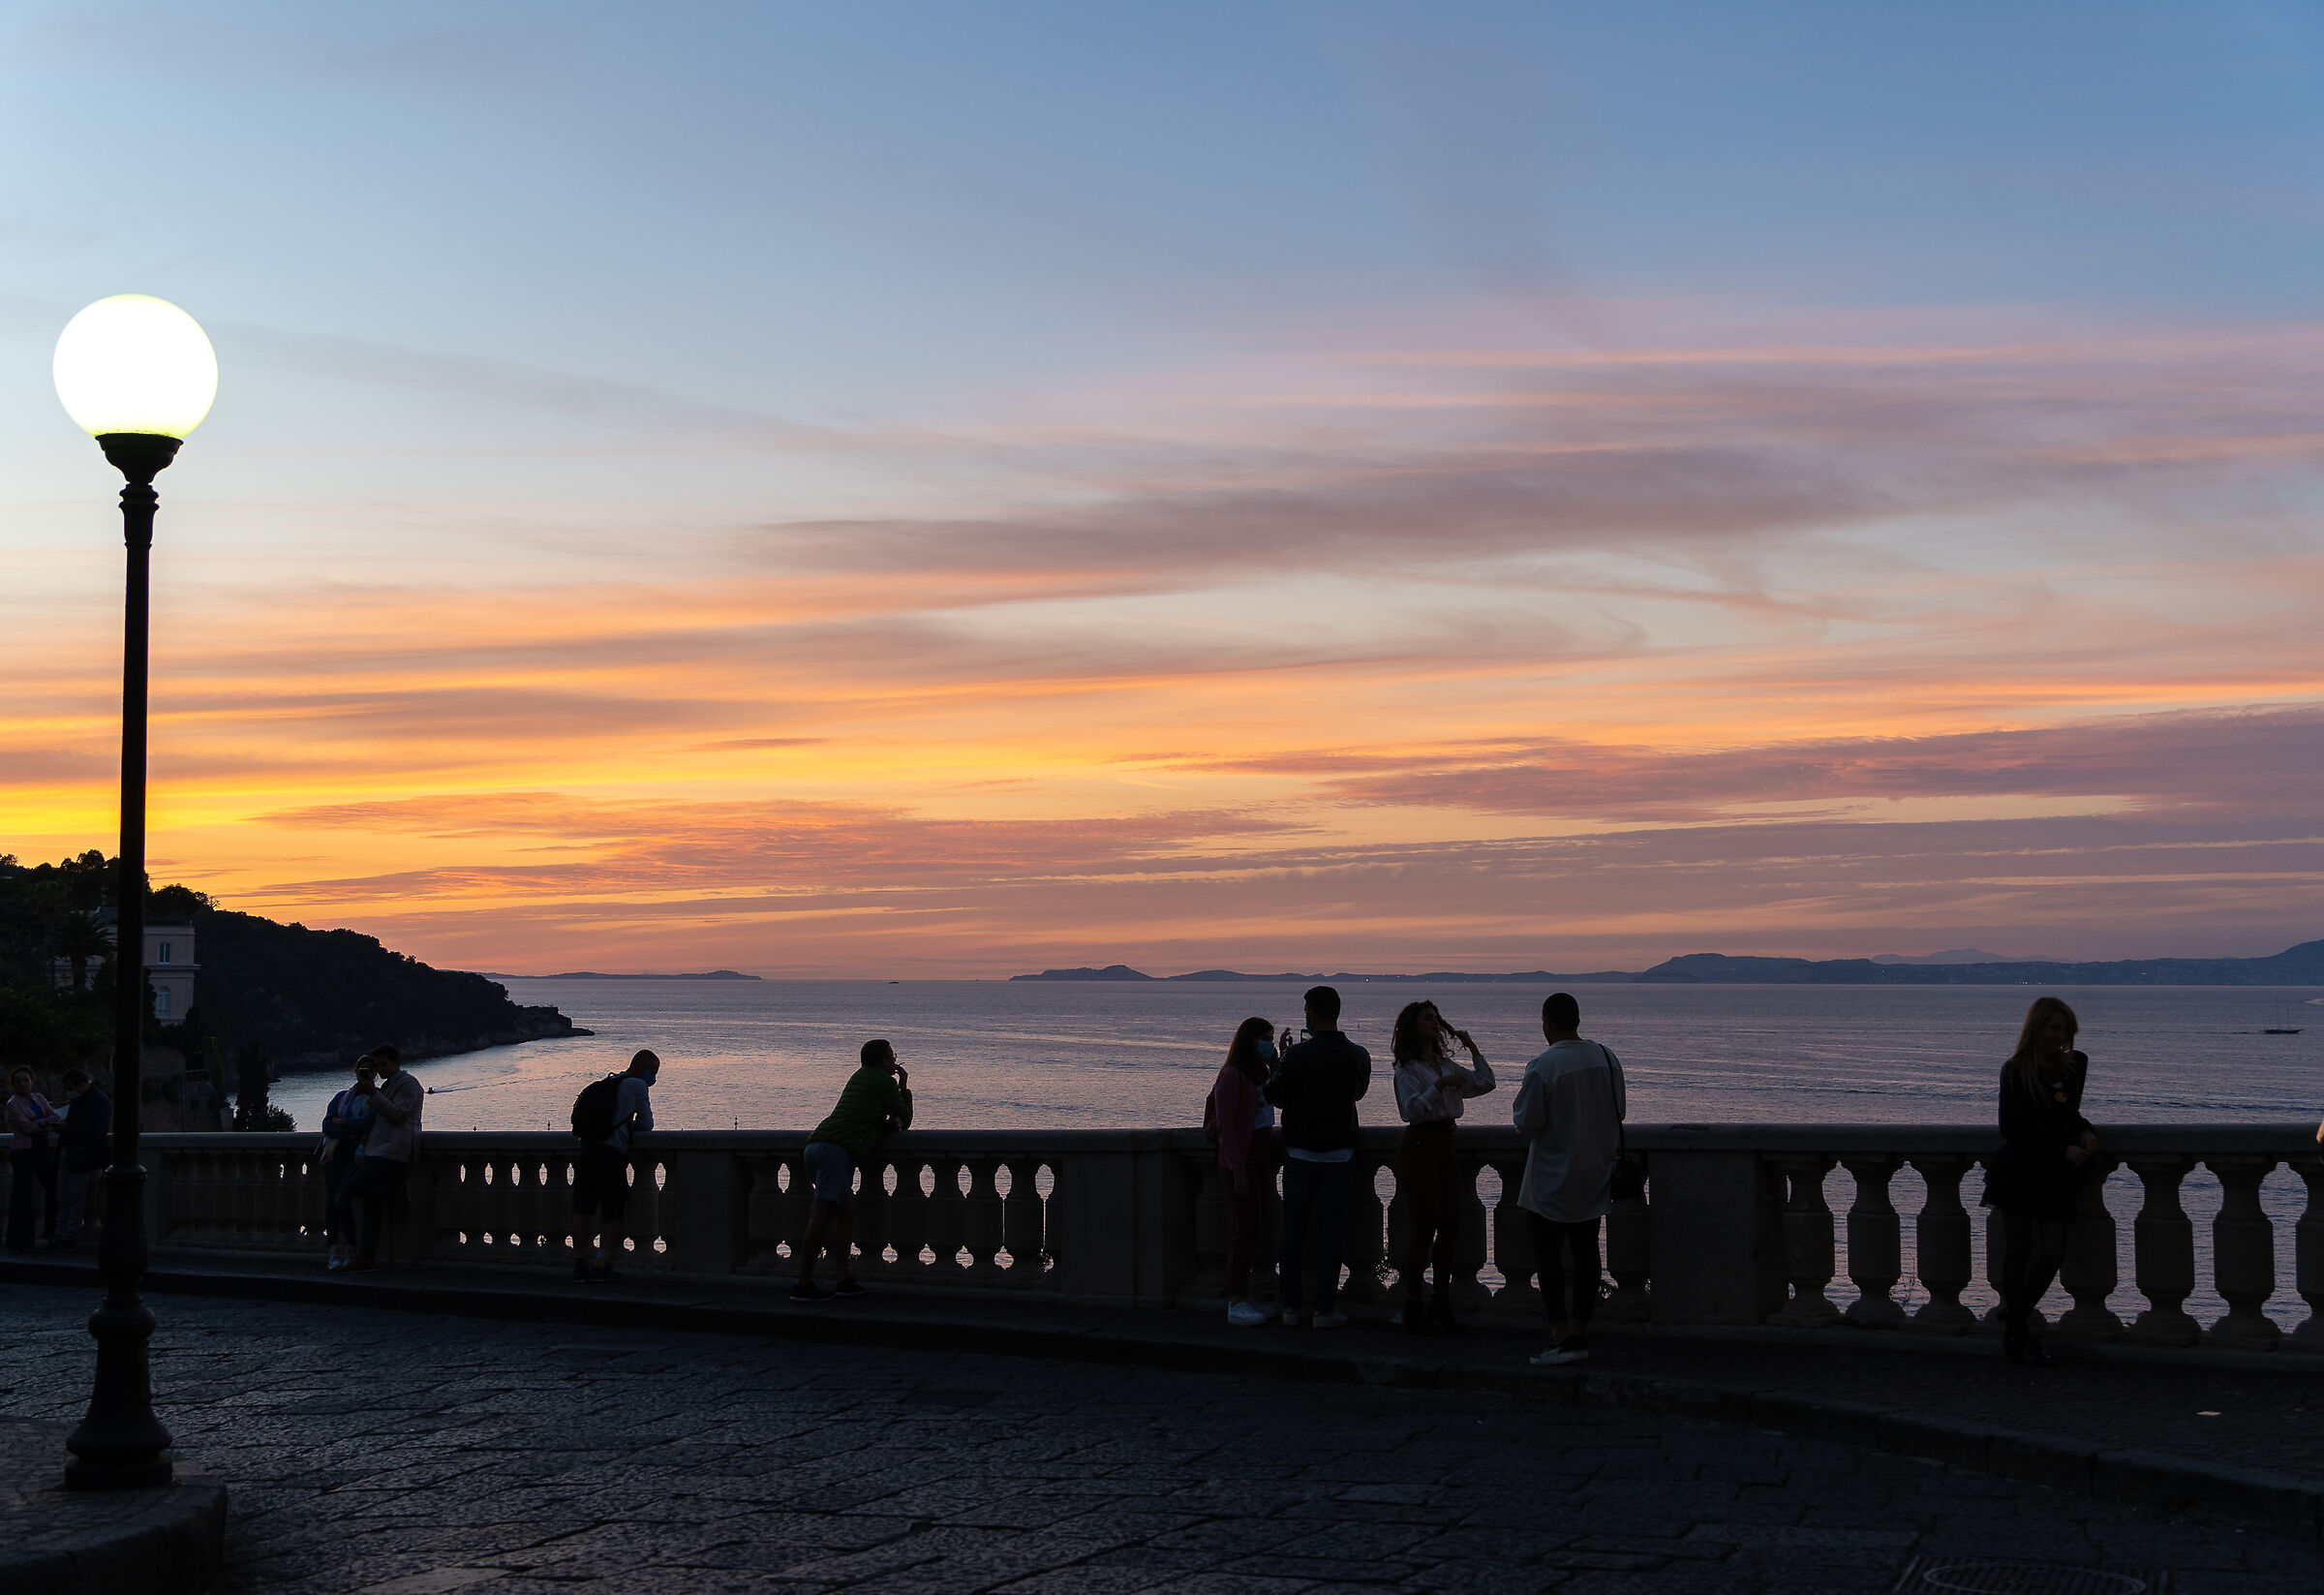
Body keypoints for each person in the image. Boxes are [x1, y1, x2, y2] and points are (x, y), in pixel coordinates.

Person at [1980, 997, 2099, 1366]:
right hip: (2022, 1168)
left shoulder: (2074, 1066)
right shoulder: (2015, 1070)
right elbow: (2013, 1128)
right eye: (2053, 1028)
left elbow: (2068, 1112)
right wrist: (2062, 1148)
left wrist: (2084, 1132)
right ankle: (2017, 1331)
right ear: (2037, 1028)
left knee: (2052, 1252)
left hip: (2054, 1176)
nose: (2060, 1036)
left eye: (2065, 1029)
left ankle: (2014, 1318)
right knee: (2018, 1250)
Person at [1511, 992, 1625, 1366]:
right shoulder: (1607, 1058)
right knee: (1587, 1251)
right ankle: (1580, 1328)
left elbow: (1528, 1122)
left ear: (1547, 1022)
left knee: (1548, 1256)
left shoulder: (1544, 1065)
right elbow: (1619, 1109)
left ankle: (1559, 1331)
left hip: (1552, 1176)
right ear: (1577, 1019)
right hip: (1596, 1171)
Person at [1263, 985, 1371, 1330]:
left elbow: (1273, 1095)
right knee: (1332, 1234)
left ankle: (1292, 1307)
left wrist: (1277, 1062)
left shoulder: (1296, 1056)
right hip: (1339, 1155)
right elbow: (1359, 1093)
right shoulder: (1358, 1055)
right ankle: (1325, 1309)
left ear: (1310, 1012)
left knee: (1292, 1233)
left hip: (1300, 1153)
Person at [1391, 1001, 1495, 1335]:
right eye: (1428, 1018)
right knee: (1424, 1228)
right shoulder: (1408, 1069)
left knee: (1450, 1226)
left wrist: (1473, 1047)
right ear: (1413, 1025)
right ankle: (1412, 1304)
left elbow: (1485, 1082)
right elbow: (1410, 1111)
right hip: (1420, 1145)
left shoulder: (1447, 1064)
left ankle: (1440, 1300)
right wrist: (1438, 1086)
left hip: (1446, 1144)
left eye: (1436, 1018)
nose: (1435, 1023)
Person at [791, 1039, 912, 1304]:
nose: (895, 1061)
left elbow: (864, 1116)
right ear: (883, 1061)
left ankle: (844, 1279)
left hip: (817, 1146)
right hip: (835, 1151)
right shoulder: (883, 1081)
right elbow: (906, 1118)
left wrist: (882, 1125)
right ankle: (803, 1284)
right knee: (820, 1218)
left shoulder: (859, 1077)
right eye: (892, 1057)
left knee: (845, 1213)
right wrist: (904, 1085)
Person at [1208, 1016, 1285, 1327]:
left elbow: (1274, 1098)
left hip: (1259, 1159)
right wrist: (1238, 1170)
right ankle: (1236, 1300)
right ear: (1248, 1041)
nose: (1268, 1044)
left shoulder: (1258, 1074)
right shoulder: (1232, 1075)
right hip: (1241, 1161)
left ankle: (1243, 1297)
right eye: (1264, 1039)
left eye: (1271, 1038)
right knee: (1245, 1231)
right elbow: (1225, 1125)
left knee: (1254, 1229)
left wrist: (1277, 1064)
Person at [570, 1049, 659, 1282]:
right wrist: (627, 1130)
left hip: (588, 1150)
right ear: (641, 1068)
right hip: (610, 1155)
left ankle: (579, 1263)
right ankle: (601, 1263)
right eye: (653, 1073)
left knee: (583, 1210)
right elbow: (646, 1124)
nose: (654, 1079)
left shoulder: (610, 1081)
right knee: (613, 1212)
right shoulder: (637, 1086)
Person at [333, 1044, 421, 1273]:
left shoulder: (409, 1084)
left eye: (383, 1064)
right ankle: (367, 1255)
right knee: (372, 1205)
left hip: (394, 1150)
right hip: (377, 1149)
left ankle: (395, 1191)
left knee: (355, 1186)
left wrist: (372, 1093)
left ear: (396, 1062)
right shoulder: (386, 1086)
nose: (379, 1068)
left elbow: (398, 1114)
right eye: (377, 1065)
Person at [318, 1058, 379, 1270]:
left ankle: (351, 1247)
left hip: (354, 1156)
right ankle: (334, 1249)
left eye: (369, 1072)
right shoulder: (341, 1097)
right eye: (362, 1071)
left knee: (341, 1200)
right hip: (334, 1154)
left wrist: (342, 1123)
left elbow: (368, 1122)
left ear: (375, 1074)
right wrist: (351, 1129)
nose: (365, 1075)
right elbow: (327, 1125)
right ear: (355, 1072)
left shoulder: (375, 1099)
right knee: (331, 1203)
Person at [50, 1067, 110, 1250]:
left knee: (75, 1197)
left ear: (82, 1085)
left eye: (71, 1088)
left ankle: (68, 1235)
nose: (69, 1092)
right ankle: (60, 1234)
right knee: (63, 1196)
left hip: (83, 1156)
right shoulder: (82, 1099)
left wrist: (66, 1129)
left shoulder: (99, 1101)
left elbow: (97, 1132)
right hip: (70, 1152)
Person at [5, 1067, 60, 1253]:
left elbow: (55, 1116)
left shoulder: (39, 1098)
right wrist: (45, 1122)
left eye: (25, 1080)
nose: (23, 1084)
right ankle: (21, 1239)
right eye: (19, 1081)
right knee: (23, 1195)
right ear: (14, 1084)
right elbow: (28, 1127)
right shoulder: (13, 1104)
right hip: (24, 1151)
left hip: (41, 1148)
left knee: (53, 1187)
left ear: (31, 1081)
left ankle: (52, 1231)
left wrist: (41, 1123)